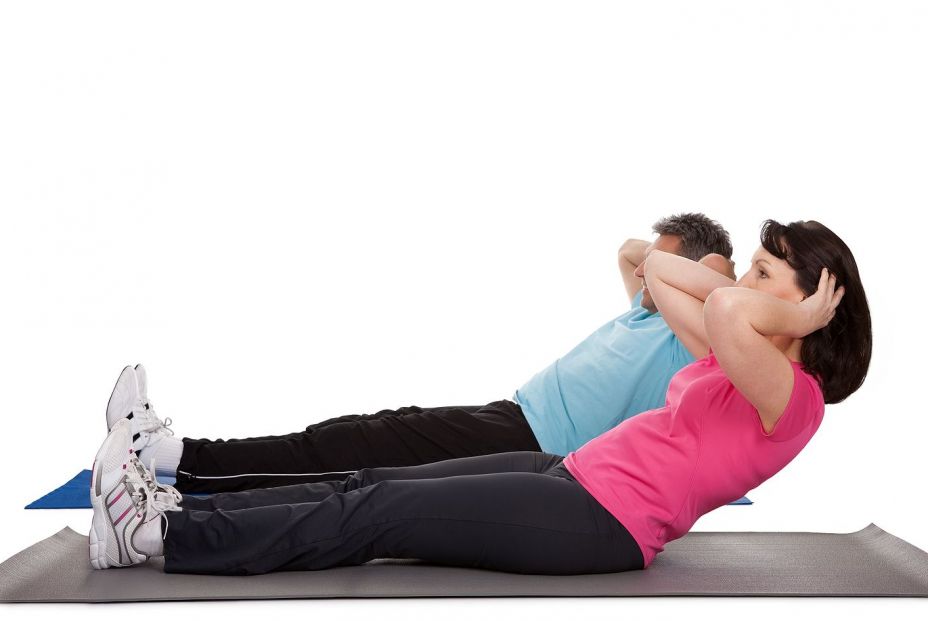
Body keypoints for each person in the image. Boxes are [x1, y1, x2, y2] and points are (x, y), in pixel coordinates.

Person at [89, 218, 870, 575]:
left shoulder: (794, 397)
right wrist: (764, 291)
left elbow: (730, 308)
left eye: (769, 274)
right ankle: (168, 515)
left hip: (604, 520)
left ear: (808, 308)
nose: (745, 286)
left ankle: (159, 542)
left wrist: (793, 316)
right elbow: (661, 271)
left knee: (378, 515)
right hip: (569, 473)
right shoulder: (737, 362)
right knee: (370, 480)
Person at [109, 213, 734, 493]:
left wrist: (688, 267)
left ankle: (169, 460)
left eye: (665, 262)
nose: (648, 275)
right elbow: (628, 251)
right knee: (356, 435)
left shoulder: (701, 333)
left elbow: (718, 279)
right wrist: (658, 263)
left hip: (538, 447)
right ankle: (175, 462)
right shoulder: (650, 310)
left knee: (350, 453)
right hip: (511, 415)